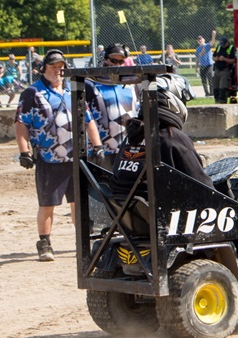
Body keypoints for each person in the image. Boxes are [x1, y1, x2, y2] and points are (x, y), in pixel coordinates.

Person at [14, 49, 103, 261]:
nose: (58, 71)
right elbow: (21, 123)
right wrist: (24, 151)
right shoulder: (32, 93)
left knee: (79, 203)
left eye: (61, 67)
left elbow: (88, 119)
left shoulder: (73, 91)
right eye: (53, 66)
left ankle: (84, 242)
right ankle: (44, 243)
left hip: (77, 157)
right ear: (43, 68)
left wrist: (97, 145)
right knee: (47, 203)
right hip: (49, 158)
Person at [111, 73, 213, 198]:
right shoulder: (173, 137)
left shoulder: (132, 136)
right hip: (164, 212)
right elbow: (204, 187)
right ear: (173, 100)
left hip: (131, 211)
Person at [86, 43, 139, 169]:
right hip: (102, 148)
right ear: (105, 59)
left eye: (121, 62)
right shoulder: (91, 84)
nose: (117, 65)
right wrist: (96, 146)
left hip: (127, 148)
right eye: (113, 60)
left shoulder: (131, 84)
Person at [212, 36, 236, 104]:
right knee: (216, 87)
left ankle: (223, 102)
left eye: (224, 44)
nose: (222, 45)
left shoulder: (231, 48)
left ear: (227, 43)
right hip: (217, 70)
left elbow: (233, 60)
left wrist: (224, 59)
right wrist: (216, 58)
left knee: (223, 87)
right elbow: (213, 57)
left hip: (225, 70)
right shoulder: (219, 47)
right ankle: (216, 101)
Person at [195, 31, 216, 97]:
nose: (200, 40)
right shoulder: (198, 49)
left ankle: (212, 93)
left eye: (201, 39)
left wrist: (213, 35)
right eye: (198, 40)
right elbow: (197, 59)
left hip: (209, 65)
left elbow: (212, 42)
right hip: (202, 66)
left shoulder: (207, 45)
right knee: (203, 80)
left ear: (203, 40)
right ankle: (206, 93)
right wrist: (196, 68)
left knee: (210, 80)